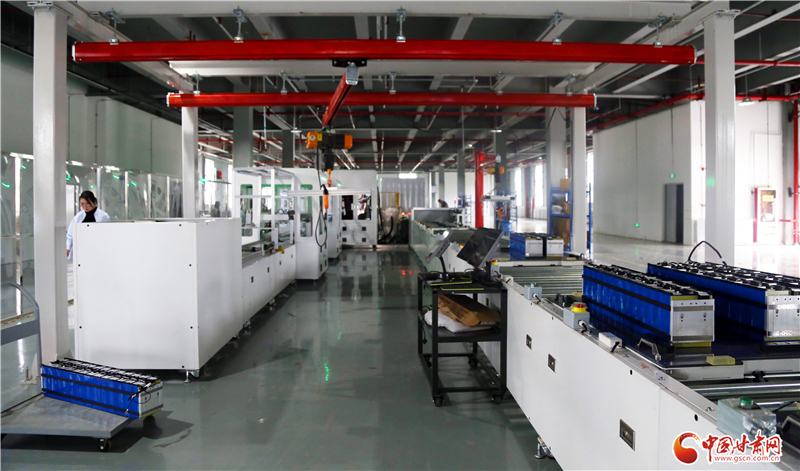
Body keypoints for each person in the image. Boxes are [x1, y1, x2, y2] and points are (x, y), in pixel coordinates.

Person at [67, 190, 110, 260]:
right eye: (82, 204)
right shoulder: (78, 216)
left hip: (97, 249)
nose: (85, 206)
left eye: (88, 203)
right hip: (81, 248)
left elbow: (107, 234)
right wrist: (68, 248)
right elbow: (71, 234)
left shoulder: (103, 216)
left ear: (93, 202)